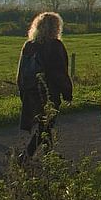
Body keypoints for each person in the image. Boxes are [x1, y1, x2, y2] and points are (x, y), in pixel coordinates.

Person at [18, 11, 73, 157]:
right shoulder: (55, 46)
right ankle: (25, 156)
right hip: (48, 92)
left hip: (31, 91)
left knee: (45, 124)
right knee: (46, 125)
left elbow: (21, 71)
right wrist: (67, 92)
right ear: (56, 28)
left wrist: (22, 91)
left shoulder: (29, 45)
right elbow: (60, 72)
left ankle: (49, 155)